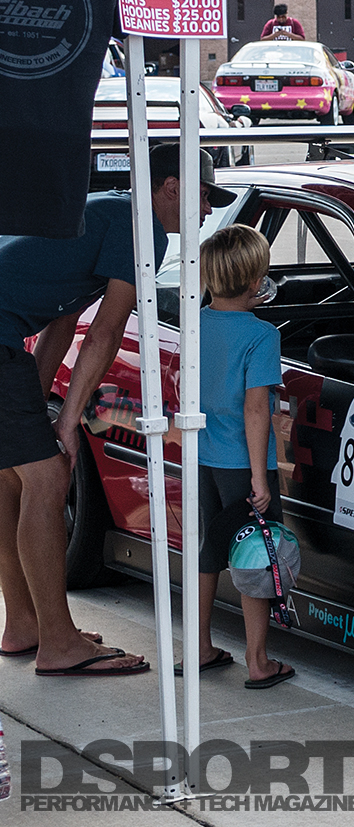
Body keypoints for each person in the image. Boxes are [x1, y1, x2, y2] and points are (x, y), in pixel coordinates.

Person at [0, 143, 229, 677]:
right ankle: (59, 644)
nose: (207, 210)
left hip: (8, 340)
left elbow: (62, 320)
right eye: (203, 196)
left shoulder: (102, 211)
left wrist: (41, 405)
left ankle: (25, 624)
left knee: (11, 478)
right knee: (48, 478)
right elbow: (105, 333)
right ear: (171, 187)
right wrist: (67, 423)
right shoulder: (140, 228)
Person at [185, 224, 293, 689]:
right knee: (255, 553)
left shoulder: (194, 323)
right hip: (241, 462)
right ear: (254, 281)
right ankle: (258, 660)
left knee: (208, 550)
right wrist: (260, 478)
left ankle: (200, 648)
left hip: (201, 454)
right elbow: (255, 408)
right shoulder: (262, 335)